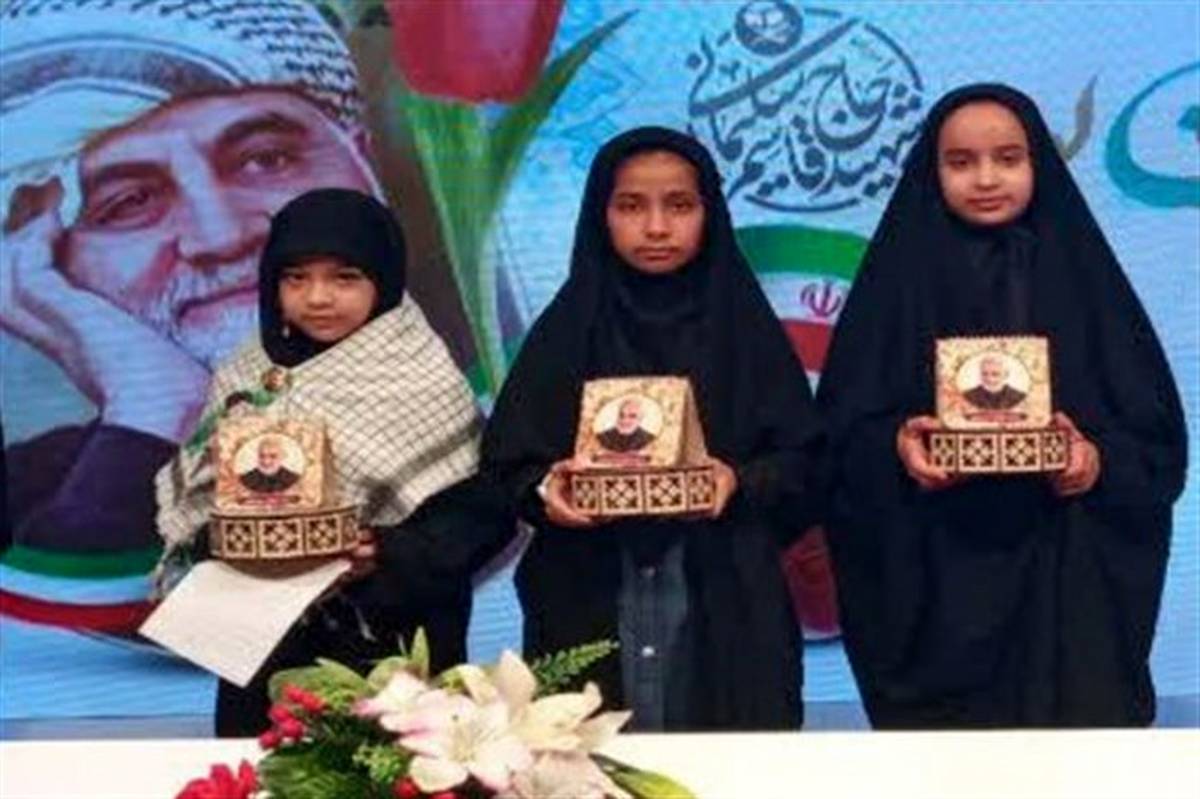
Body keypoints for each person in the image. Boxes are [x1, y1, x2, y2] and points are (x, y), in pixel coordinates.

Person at [818, 84, 1187, 728]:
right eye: (961, 162)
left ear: (1038, 163)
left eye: (1008, 158)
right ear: (932, 171)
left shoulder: (1087, 284)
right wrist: (898, 448)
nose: (986, 179)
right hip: (936, 593)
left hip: (1065, 588)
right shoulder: (894, 290)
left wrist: (1093, 461)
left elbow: (1156, 449)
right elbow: (836, 445)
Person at [0, 0, 379, 554]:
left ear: (365, 167)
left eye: (266, 160)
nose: (222, 236)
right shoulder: (32, 495)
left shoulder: (491, 426)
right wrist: (159, 409)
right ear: (39, 263)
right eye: (129, 201)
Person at [482, 127, 825, 731]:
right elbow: (508, 465)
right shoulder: (565, 334)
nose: (657, 227)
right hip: (586, 590)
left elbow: (804, 461)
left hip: (725, 596)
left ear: (710, 214)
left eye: (680, 205)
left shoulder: (746, 336)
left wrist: (738, 481)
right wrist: (548, 490)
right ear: (601, 216)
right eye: (631, 206)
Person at [156, 188, 513, 736]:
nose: (317, 298)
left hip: (389, 639)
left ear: (383, 280)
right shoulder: (248, 374)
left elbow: (480, 514)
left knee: (393, 770)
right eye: (295, 278)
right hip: (267, 641)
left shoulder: (422, 374)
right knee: (269, 768)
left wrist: (383, 553)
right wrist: (243, 542)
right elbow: (208, 501)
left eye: (344, 277)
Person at [237, 436, 302, 495]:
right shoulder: (246, 480)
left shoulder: (293, 479)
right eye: (262, 456)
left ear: (282, 457)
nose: (266, 462)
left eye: (273, 456)